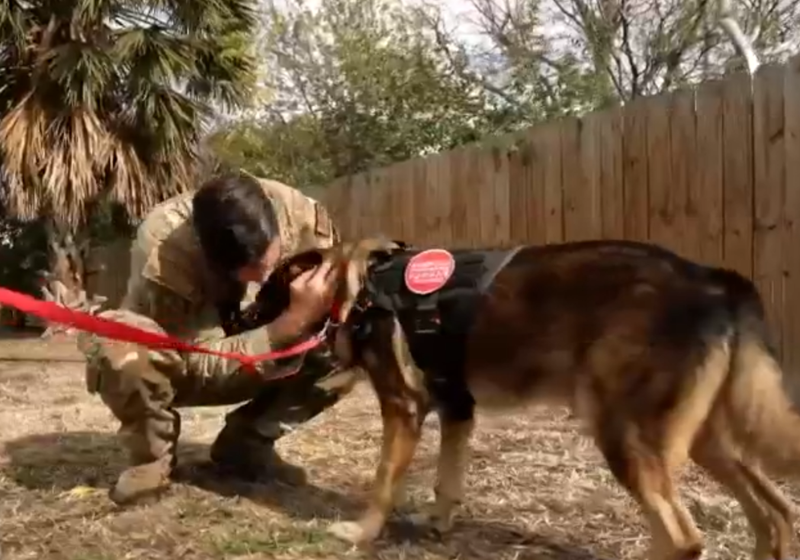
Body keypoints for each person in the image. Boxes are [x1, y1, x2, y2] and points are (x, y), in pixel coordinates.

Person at [79, 172, 359, 506]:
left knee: (350, 338)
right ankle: (152, 460)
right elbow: (192, 357)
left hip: (270, 351)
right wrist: (291, 323)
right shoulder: (164, 248)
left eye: (265, 262)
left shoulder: (304, 219)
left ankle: (246, 445)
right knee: (120, 345)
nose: (259, 278)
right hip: (184, 365)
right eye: (244, 271)